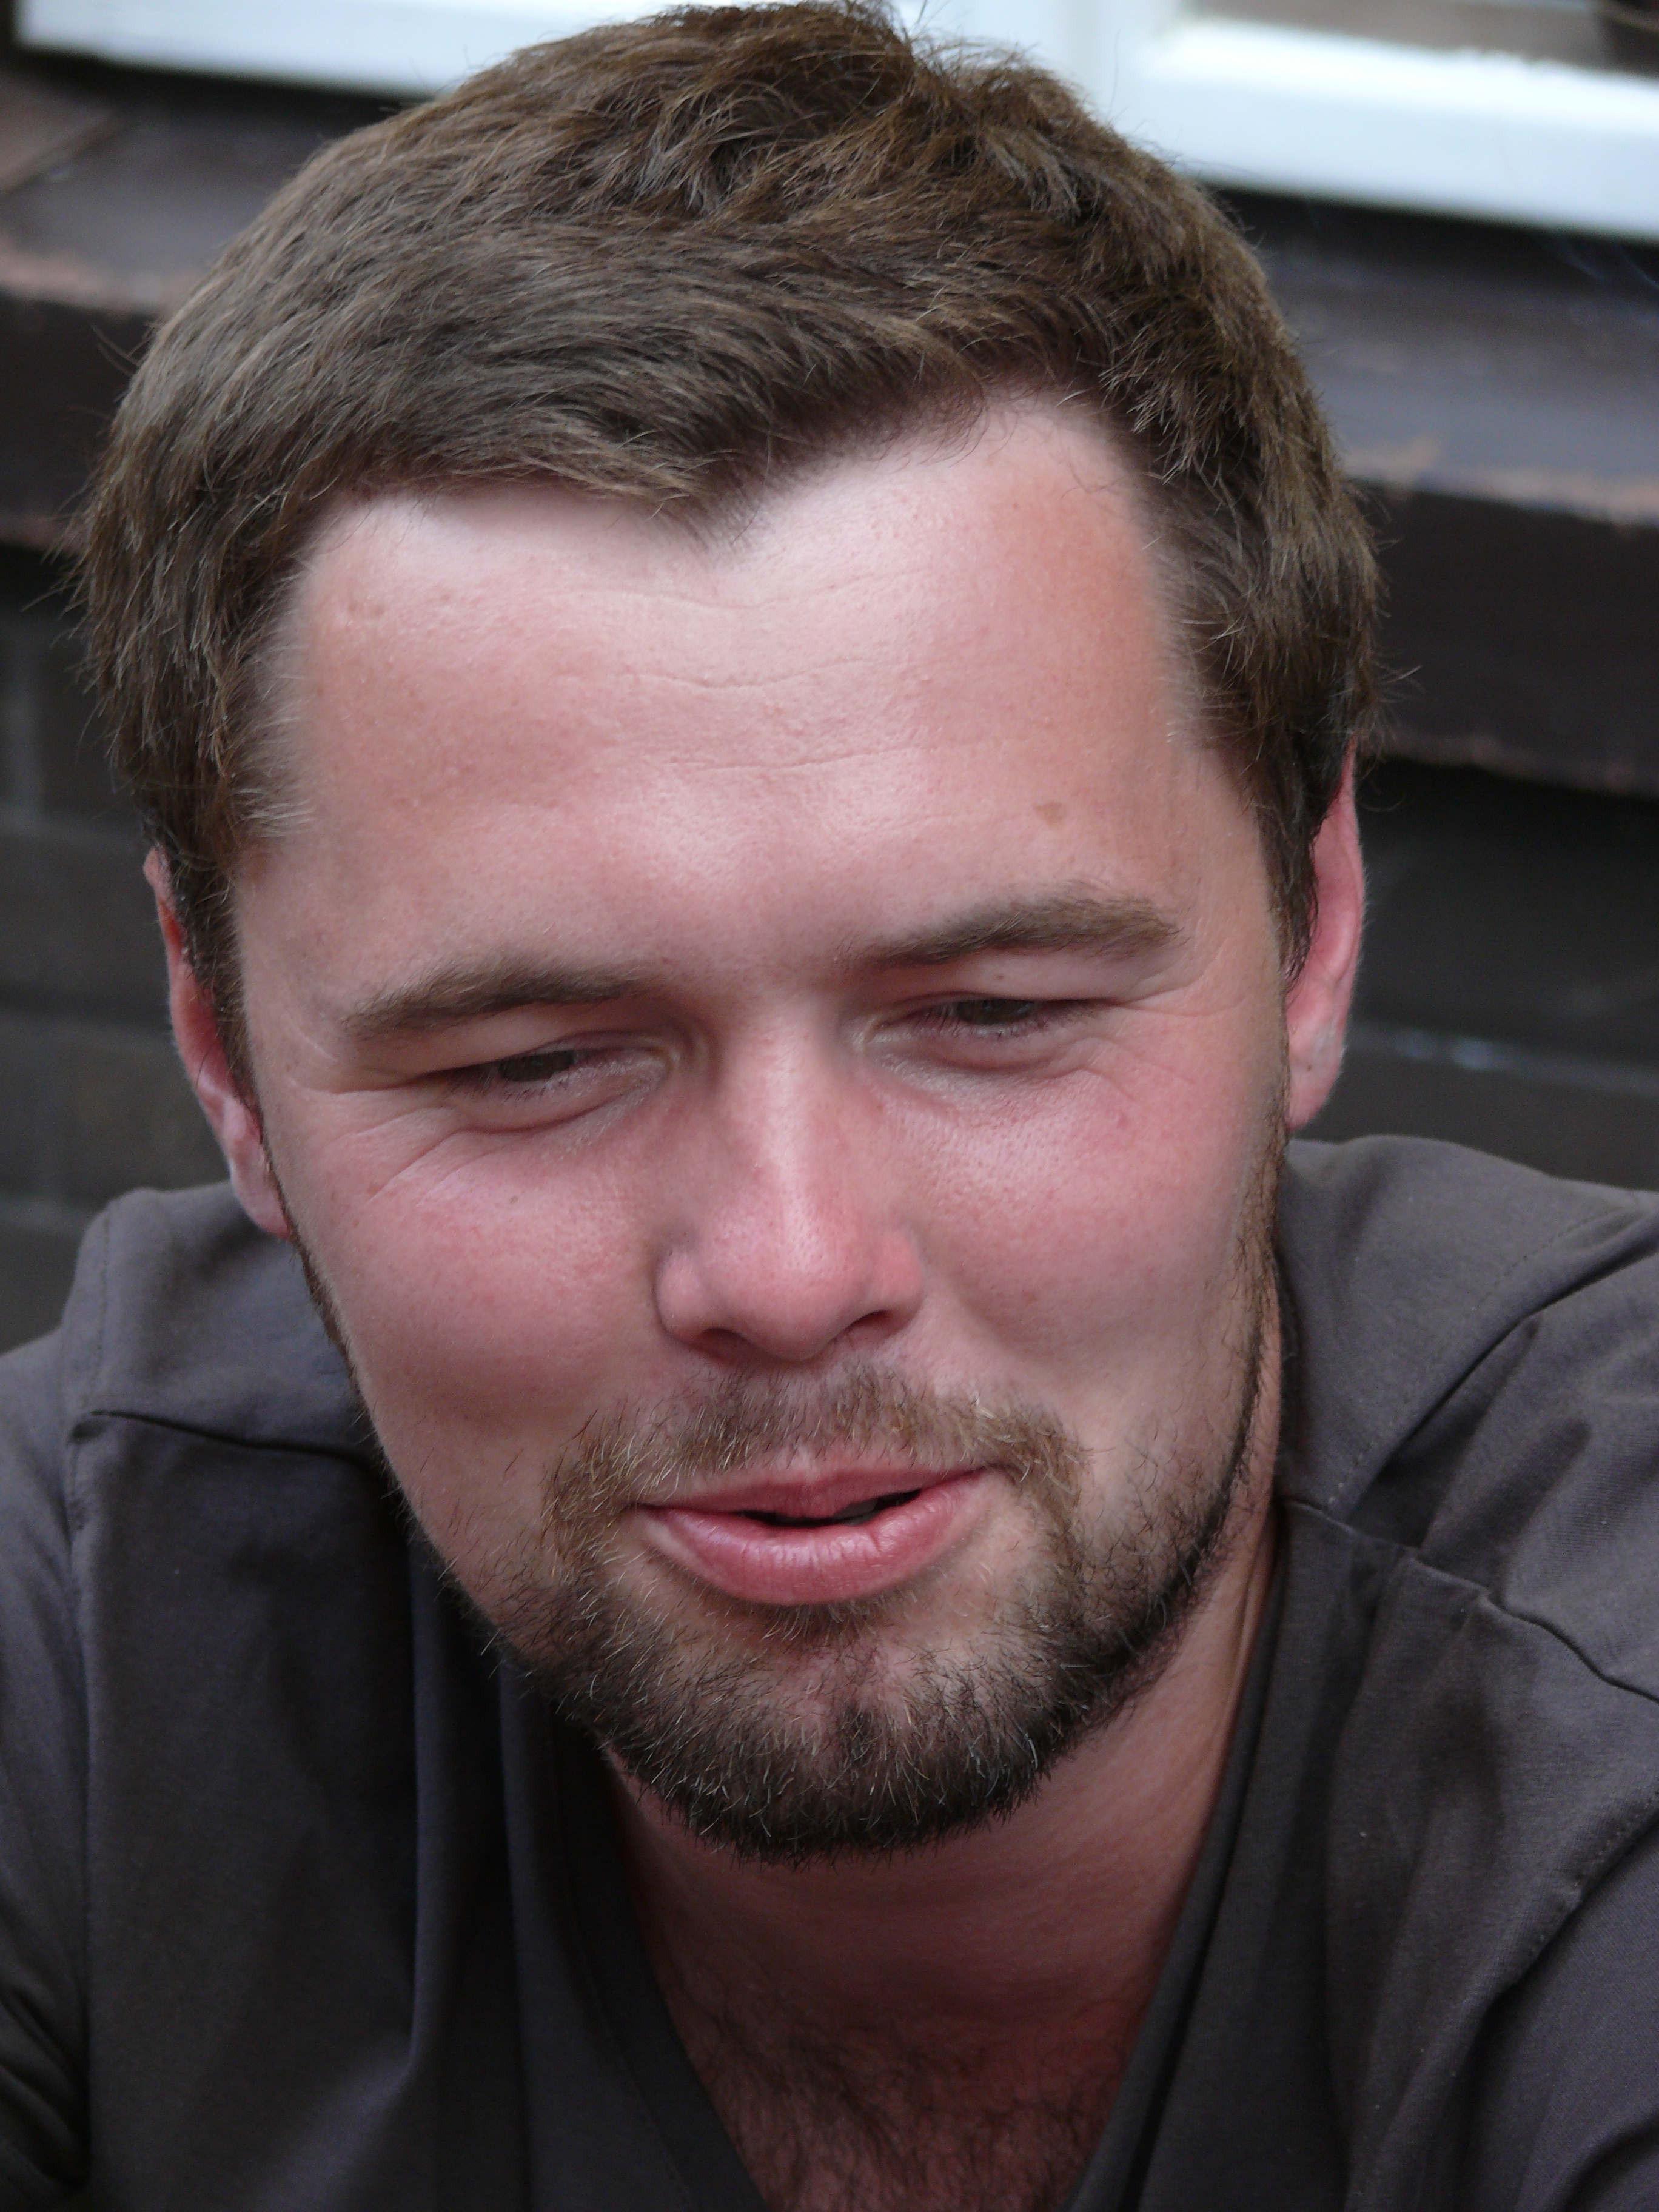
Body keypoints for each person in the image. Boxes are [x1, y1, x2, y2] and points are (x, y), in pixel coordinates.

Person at [4, 4, 1659, 2206]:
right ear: (220, 1051)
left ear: (1313, 930)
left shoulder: (1604, 1702)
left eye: (986, 1013)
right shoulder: (94, 1637)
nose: (789, 1273)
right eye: (533, 1063)